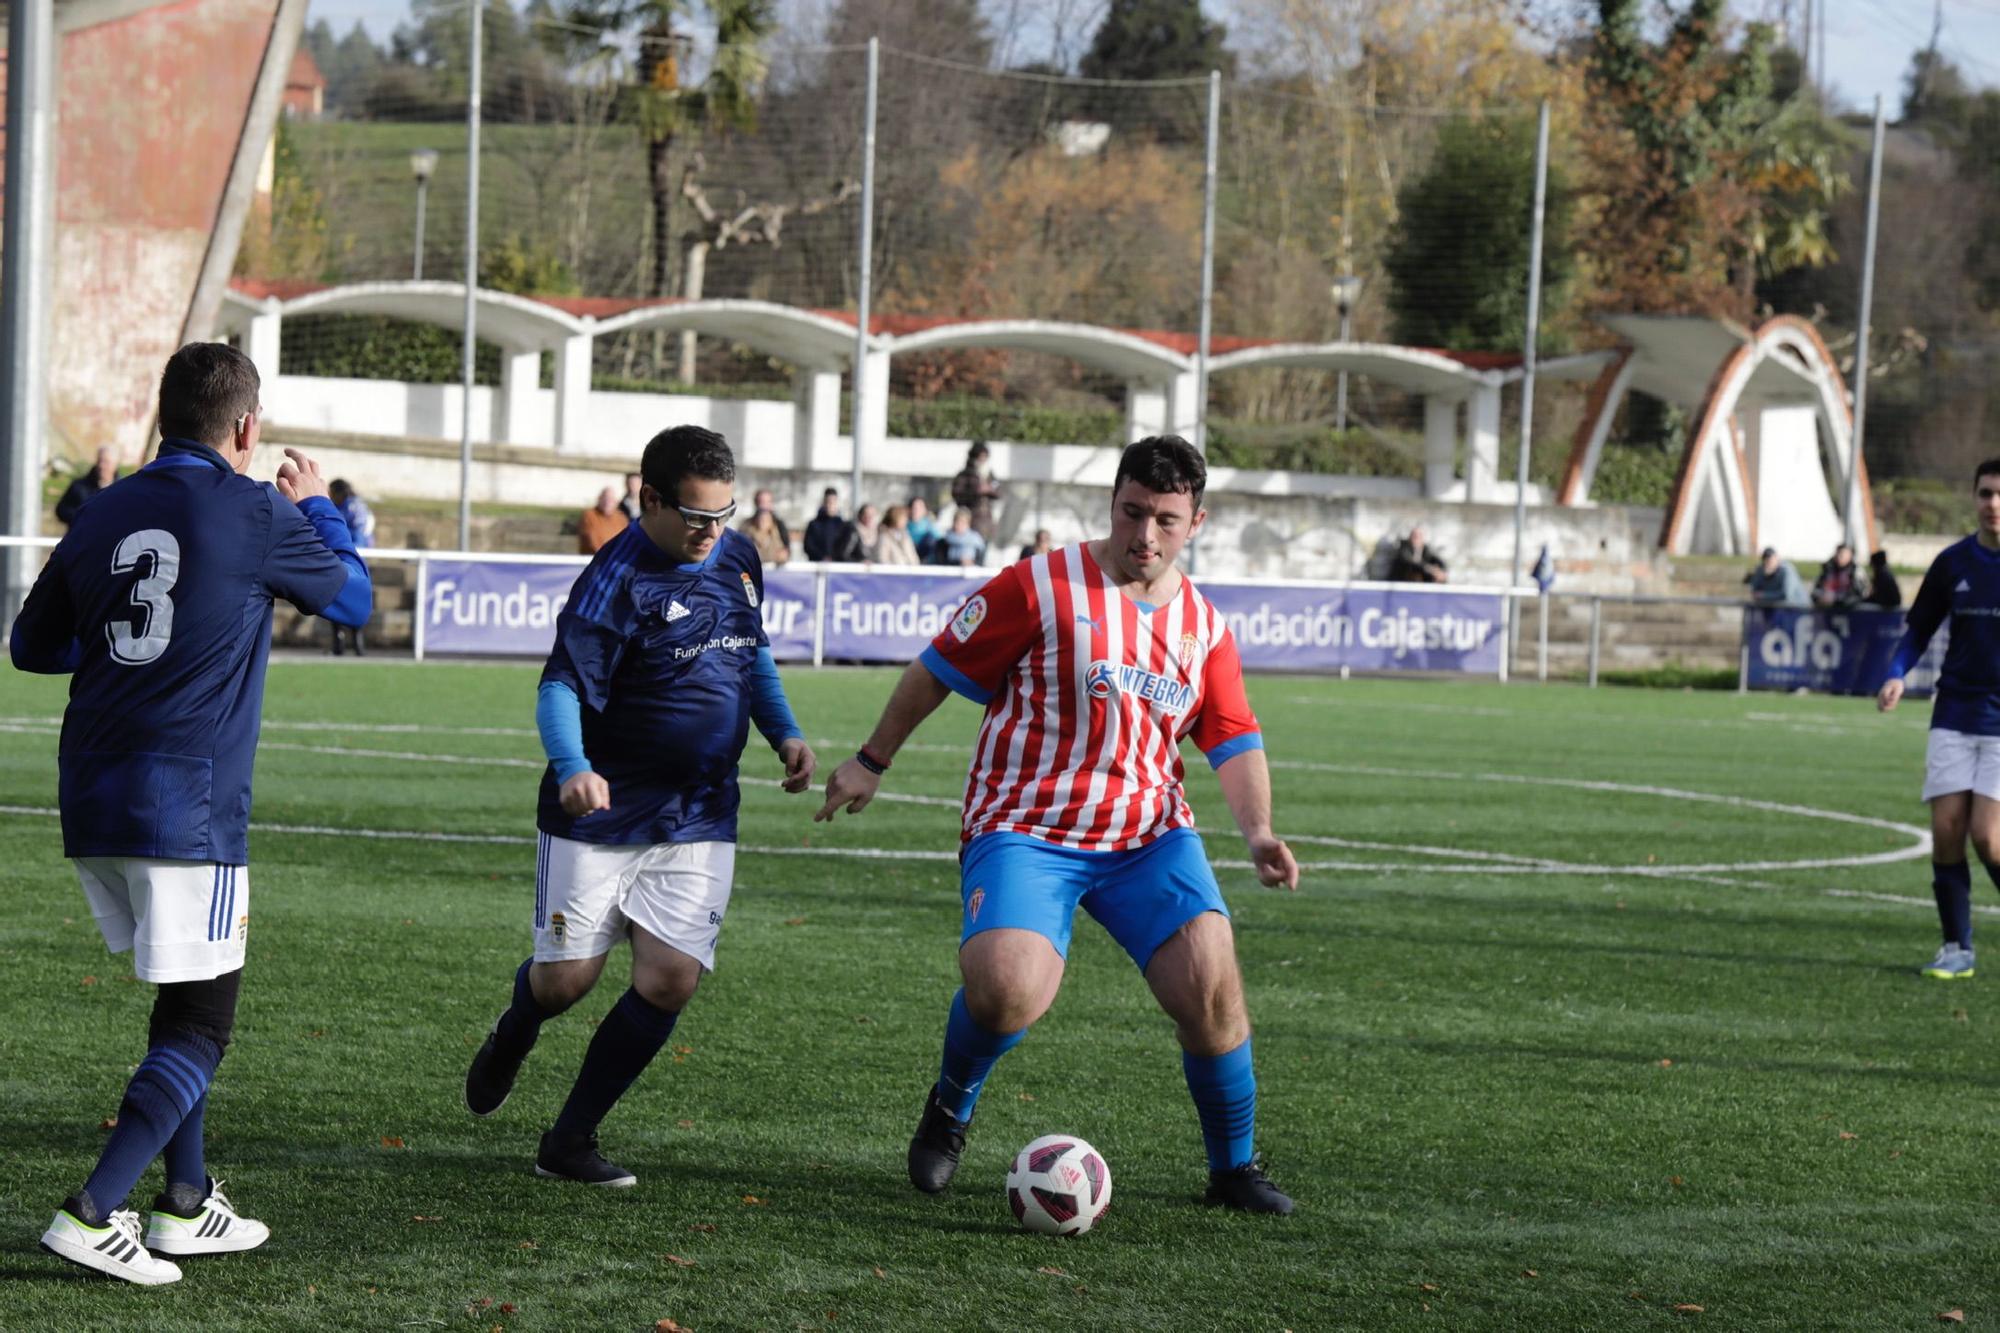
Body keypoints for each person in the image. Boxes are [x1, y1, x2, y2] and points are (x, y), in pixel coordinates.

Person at [814, 434, 1300, 1215]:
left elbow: (1234, 737)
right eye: (1133, 512)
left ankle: (1232, 1168)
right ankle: (951, 1104)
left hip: (1147, 834)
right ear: (1112, 502)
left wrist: (1259, 833)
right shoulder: (1040, 585)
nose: (1146, 534)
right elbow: (937, 666)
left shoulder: (1203, 626)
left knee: (1211, 980)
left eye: (1166, 521)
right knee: (1006, 988)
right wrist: (873, 758)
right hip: (1026, 823)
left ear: (1195, 523)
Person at [9, 342, 370, 1286]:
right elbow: (355, 599)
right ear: (246, 429)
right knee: (205, 1023)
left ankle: (185, 1202)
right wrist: (320, 505)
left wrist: (137, 652)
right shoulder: (256, 508)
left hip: (90, 795)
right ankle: (93, 1209)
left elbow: (32, 645)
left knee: (182, 1001)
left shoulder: (106, 507)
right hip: (188, 804)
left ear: (161, 415)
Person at [462, 425, 816, 1187]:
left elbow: (750, 654)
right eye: (695, 517)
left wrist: (784, 732)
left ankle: (570, 1139)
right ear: (649, 499)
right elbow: (559, 685)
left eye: (723, 516)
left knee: (670, 979)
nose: (712, 533)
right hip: (601, 814)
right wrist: (573, 765)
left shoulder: (738, 555)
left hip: (699, 812)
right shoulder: (613, 577)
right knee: (566, 983)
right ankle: (514, 1029)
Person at [1878, 459, 2000, 982]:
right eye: (1986, 493)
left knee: (1987, 837)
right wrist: (1898, 673)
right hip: (1953, 712)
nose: (1994, 504)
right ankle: (1956, 948)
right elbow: (1919, 629)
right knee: (1946, 830)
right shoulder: (1953, 563)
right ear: (1973, 498)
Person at [327, 479, 376, 657]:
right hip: (360, 558)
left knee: (337, 596)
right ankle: (355, 646)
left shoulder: (349, 507)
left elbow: (355, 535)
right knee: (354, 599)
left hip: (349, 557)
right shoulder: (360, 506)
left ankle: (341, 645)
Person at [950, 442, 1002, 542]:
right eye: (981, 457)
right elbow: (957, 495)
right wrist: (976, 491)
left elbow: (999, 491)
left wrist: (990, 490)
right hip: (970, 522)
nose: (983, 460)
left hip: (987, 523)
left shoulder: (989, 474)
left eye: (985, 457)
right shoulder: (965, 475)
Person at [55, 446, 119, 527]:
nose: (101, 466)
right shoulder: (79, 487)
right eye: (99, 461)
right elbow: (61, 510)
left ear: (115, 464)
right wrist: (83, 516)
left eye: (106, 462)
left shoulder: (122, 489)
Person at [804, 488, 862, 563]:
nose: (830, 505)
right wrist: (822, 557)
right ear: (823, 502)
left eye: (833, 502)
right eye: (827, 501)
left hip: (838, 567)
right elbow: (808, 546)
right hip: (818, 567)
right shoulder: (814, 524)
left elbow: (848, 549)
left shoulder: (844, 526)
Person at [740, 490, 792, 566]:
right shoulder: (746, 526)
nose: (764, 506)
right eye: (761, 502)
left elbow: (786, 549)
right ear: (756, 503)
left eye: (768, 502)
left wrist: (783, 555)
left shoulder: (779, 525)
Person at [1812, 543, 1865, 609]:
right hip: (1826, 606)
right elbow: (1816, 590)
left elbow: (1860, 594)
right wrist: (1819, 597)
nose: (1839, 557)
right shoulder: (1827, 570)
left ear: (1850, 556)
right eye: (1838, 553)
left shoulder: (1856, 572)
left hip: (1848, 609)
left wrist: (1840, 601)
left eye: (1843, 555)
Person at [579, 486, 629, 555]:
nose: (607, 502)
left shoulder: (621, 518)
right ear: (599, 499)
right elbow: (593, 542)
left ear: (616, 502)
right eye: (605, 498)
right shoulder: (589, 516)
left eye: (611, 500)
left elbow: (626, 541)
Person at [907, 495, 941, 561]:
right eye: (914, 508)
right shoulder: (903, 527)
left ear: (925, 510)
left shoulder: (932, 528)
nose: (916, 511)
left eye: (919, 508)